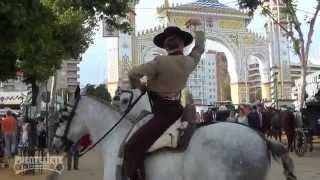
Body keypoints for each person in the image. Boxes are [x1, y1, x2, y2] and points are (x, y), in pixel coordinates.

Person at [124, 19, 205, 180]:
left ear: (165, 47)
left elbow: (133, 73)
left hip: (161, 114)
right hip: (178, 110)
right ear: (182, 45)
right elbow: (199, 48)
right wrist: (199, 30)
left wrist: (140, 87)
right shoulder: (190, 62)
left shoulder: (159, 61)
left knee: (131, 147)